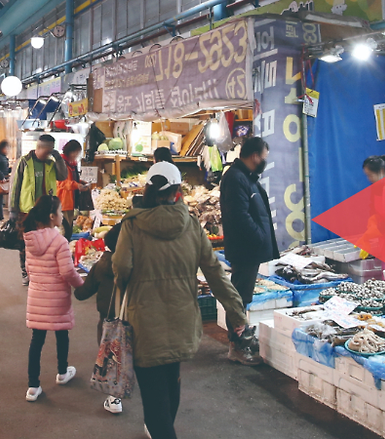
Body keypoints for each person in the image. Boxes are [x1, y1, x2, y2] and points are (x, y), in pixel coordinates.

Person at [113, 162, 252, 439]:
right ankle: (160, 428)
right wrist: (236, 313)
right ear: (178, 192)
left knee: (154, 398)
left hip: (145, 322)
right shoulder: (191, 225)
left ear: (148, 190)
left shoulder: (132, 225)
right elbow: (215, 272)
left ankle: (160, 429)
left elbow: (122, 269)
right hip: (182, 321)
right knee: (170, 382)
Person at [22, 195, 84, 402]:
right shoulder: (59, 241)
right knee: (61, 334)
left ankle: (33, 386)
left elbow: (29, 269)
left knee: (37, 340)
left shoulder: (30, 239)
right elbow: (67, 272)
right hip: (58, 297)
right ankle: (62, 372)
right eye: (59, 212)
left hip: (37, 296)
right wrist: (81, 286)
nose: (61, 215)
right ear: (51, 217)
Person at [219, 137, 278, 313]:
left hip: (250, 249)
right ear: (254, 156)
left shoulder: (247, 177)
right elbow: (239, 215)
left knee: (243, 295)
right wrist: (259, 236)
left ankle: (240, 330)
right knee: (240, 296)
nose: (264, 162)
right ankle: (238, 335)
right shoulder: (236, 178)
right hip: (245, 249)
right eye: (263, 157)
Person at [74, 224, 124, 414]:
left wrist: (74, 287)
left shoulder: (102, 264)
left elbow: (84, 292)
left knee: (109, 354)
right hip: (130, 316)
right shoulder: (134, 265)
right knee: (128, 352)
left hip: (107, 317)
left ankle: (114, 398)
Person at [10, 134, 68, 285]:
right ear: (39, 148)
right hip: (27, 210)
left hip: (46, 210)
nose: (49, 154)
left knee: (45, 243)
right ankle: (25, 272)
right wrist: (13, 209)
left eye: (52, 151)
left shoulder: (51, 163)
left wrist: (59, 158)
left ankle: (40, 271)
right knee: (26, 244)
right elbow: (15, 185)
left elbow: (63, 176)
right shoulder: (24, 162)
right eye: (48, 151)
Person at [55, 140, 91, 241]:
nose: (77, 155)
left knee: (68, 228)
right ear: (71, 151)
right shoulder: (62, 163)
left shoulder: (71, 164)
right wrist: (76, 185)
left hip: (70, 201)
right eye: (77, 152)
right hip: (63, 200)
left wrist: (80, 182)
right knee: (64, 230)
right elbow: (61, 182)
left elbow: (71, 179)